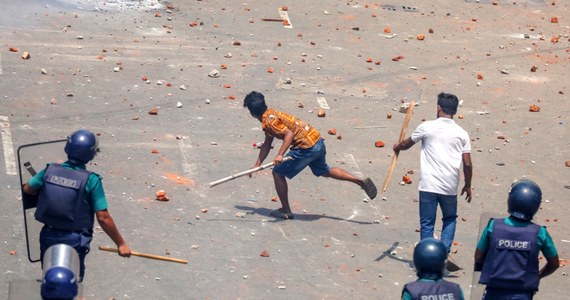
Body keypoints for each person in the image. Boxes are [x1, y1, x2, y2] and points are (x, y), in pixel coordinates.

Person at [243, 91, 377, 219]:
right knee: (324, 170)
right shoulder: (271, 114)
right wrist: (257, 165)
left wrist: (280, 155)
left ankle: (286, 210)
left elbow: (288, 134)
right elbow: (267, 142)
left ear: (252, 113)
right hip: (316, 141)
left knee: (278, 173)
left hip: (305, 148)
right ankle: (359, 181)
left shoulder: (269, 122)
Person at [23, 129, 131, 281]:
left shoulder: (49, 170)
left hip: (48, 235)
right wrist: (121, 244)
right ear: (92, 154)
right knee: (73, 283)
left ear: (67, 147)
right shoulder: (91, 180)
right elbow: (103, 217)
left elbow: (28, 188)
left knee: (49, 278)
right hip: (75, 240)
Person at [393, 92, 472, 269]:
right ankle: (443, 252)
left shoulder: (427, 127)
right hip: (450, 186)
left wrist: (397, 146)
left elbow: (406, 144)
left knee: (427, 223)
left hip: (428, 184)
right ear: (454, 111)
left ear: (438, 108)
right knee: (450, 218)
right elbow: (467, 163)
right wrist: (468, 185)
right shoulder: (462, 133)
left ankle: (427, 258)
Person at [474, 179, 559, 299]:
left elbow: (478, 256)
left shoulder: (493, 226)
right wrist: (538, 275)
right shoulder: (540, 233)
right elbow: (554, 263)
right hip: (522, 294)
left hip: (494, 292)